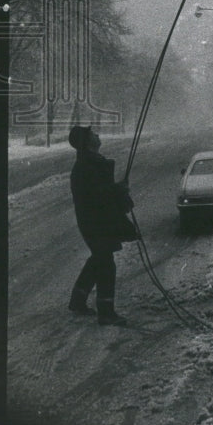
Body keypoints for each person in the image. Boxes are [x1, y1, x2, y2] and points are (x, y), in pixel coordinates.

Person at [67, 125, 137, 326]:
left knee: (99, 258)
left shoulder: (90, 162)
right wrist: (117, 189)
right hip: (94, 223)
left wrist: (117, 190)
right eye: (93, 134)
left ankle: (77, 300)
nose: (97, 135)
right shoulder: (85, 166)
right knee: (105, 263)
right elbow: (96, 196)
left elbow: (101, 192)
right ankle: (106, 313)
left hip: (95, 221)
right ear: (88, 142)